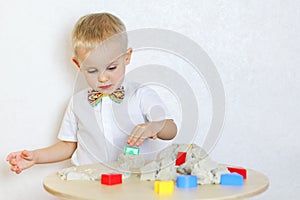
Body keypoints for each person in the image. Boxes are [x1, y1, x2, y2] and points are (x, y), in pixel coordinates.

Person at [6, 13, 177, 174]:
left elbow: (171, 129)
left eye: (111, 68)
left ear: (127, 57)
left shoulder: (140, 95)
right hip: (88, 182)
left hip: (133, 182)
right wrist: (36, 157)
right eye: (92, 70)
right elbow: (67, 145)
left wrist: (156, 126)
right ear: (78, 64)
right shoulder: (77, 102)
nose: (102, 78)